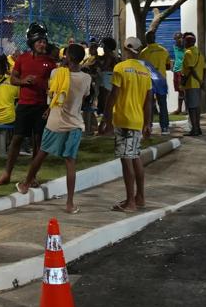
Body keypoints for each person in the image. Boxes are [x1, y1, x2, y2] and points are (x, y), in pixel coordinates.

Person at [16, 44, 92, 213]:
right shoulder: (86, 78)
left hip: (55, 121)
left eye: (65, 56)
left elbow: (52, 93)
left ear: (69, 58)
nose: (62, 57)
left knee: (42, 153)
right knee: (70, 162)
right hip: (74, 123)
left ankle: (26, 184)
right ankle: (70, 204)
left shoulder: (56, 73)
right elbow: (85, 95)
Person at [0, 23, 56, 186]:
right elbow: (13, 79)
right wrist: (23, 81)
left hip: (42, 106)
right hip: (24, 105)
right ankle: (7, 173)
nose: (43, 44)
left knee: (38, 140)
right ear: (32, 42)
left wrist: (51, 106)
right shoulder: (22, 59)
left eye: (44, 41)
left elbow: (56, 85)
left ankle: (32, 176)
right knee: (17, 139)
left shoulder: (50, 62)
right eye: (39, 41)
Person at [103, 37, 152, 212]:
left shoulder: (120, 68)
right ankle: (139, 197)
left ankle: (131, 201)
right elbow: (148, 102)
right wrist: (147, 123)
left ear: (125, 49)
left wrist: (106, 120)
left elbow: (113, 96)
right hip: (137, 120)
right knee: (135, 157)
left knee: (126, 161)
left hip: (124, 119)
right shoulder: (145, 71)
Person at [139, 34, 171, 132]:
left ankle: (148, 126)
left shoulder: (144, 52)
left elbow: (141, 67)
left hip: (149, 80)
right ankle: (165, 127)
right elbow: (168, 66)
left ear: (146, 40)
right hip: (161, 80)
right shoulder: (164, 50)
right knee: (163, 104)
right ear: (154, 38)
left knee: (149, 103)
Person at [179, 32, 206, 136]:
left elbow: (191, 69)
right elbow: (204, 69)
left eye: (185, 41)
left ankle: (194, 129)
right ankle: (198, 128)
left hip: (191, 83)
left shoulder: (188, 53)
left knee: (191, 108)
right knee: (197, 107)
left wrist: (198, 80)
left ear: (189, 42)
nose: (183, 42)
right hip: (198, 84)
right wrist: (202, 82)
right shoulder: (199, 53)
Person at [172, 32, 187, 115]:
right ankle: (179, 109)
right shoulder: (175, 47)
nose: (177, 40)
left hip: (182, 70)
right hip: (176, 70)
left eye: (179, 38)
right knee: (179, 90)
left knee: (184, 90)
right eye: (176, 39)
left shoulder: (186, 48)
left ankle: (187, 109)